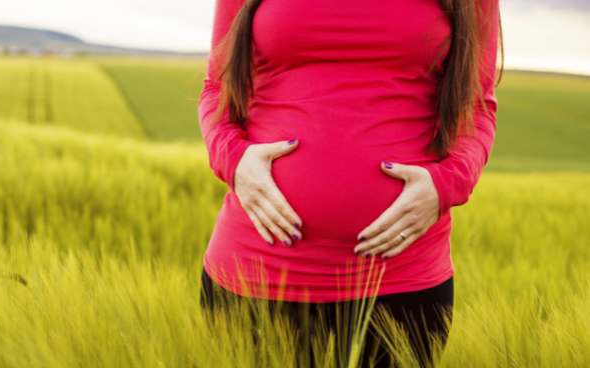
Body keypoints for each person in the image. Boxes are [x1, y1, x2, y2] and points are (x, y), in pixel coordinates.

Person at [197, 0, 502, 366]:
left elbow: (477, 105)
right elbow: (217, 87)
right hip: (255, 271)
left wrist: (447, 185)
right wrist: (234, 159)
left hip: (402, 283)